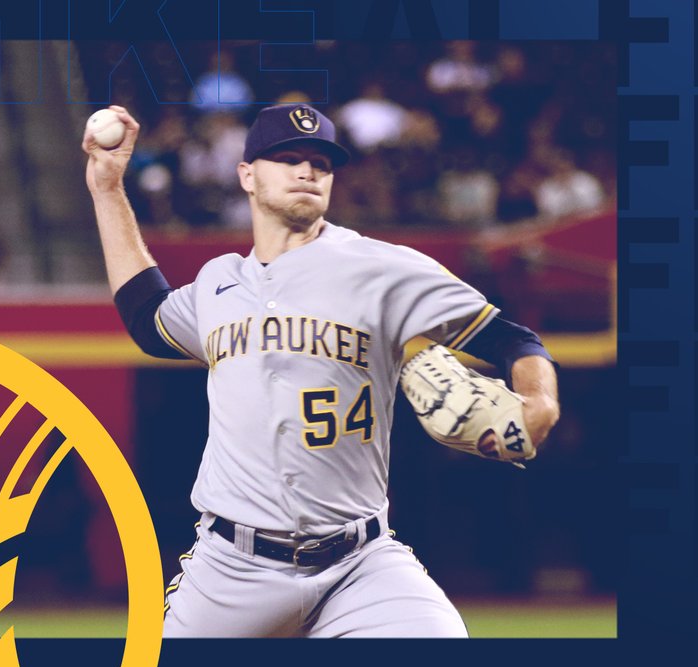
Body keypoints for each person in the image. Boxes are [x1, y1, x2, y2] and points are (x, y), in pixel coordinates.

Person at [82, 103, 560, 638]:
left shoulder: (381, 266)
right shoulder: (219, 283)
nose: (306, 171)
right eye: (287, 158)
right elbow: (148, 319)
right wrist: (107, 188)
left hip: (359, 564)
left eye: (320, 162)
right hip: (231, 569)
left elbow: (513, 340)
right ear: (246, 175)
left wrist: (539, 399)